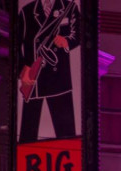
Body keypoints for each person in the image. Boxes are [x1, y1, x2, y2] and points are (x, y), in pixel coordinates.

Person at [17, 0, 82, 143]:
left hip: (59, 79)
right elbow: (15, 45)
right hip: (34, 80)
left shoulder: (69, 7)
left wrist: (66, 41)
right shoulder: (27, 11)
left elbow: (79, 35)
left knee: (65, 135)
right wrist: (23, 71)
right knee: (28, 135)